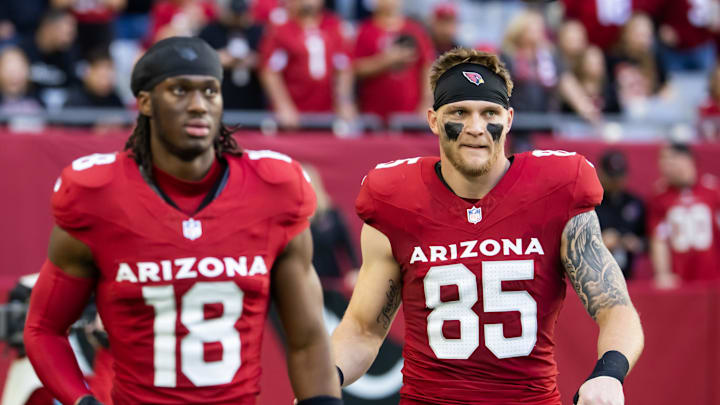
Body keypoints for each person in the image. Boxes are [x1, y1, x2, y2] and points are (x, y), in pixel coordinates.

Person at [23, 36, 342, 405]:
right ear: (145, 102)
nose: (198, 105)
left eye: (210, 91)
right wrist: (83, 401)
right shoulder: (97, 195)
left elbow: (308, 338)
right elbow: (44, 328)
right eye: (179, 90)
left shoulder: (273, 189)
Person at [331, 47, 644, 405]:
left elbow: (616, 308)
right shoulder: (394, 198)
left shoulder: (558, 186)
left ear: (509, 119)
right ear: (433, 120)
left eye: (489, 113)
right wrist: (320, 384)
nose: (476, 128)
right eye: (459, 112)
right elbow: (363, 329)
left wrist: (609, 374)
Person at [259, 0, 355, 128]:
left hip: (328, 114)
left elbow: (343, 67)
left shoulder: (333, 25)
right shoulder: (282, 28)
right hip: (294, 115)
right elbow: (270, 71)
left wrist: (344, 101)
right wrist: (283, 104)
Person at [647, 143, 720, 289]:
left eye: (669, 159)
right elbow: (659, 238)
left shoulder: (713, 189)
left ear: (687, 160)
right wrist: (663, 273)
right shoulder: (659, 196)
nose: (664, 165)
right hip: (680, 278)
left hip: (713, 275)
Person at [353, 0, 434, 122]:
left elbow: (427, 67)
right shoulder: (365, 30)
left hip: (410, 114)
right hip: (373, 115)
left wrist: (426, 103)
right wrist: (387, 60)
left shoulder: (415, 30)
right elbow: (356, 69)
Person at [595, 150, 646, 279]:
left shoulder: (635, 203)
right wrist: (599, 243)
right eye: (612, 176)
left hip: (628, 274)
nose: (616, 181)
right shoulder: (591, 204)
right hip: (596, 276)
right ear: (601, 174)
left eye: (620, 175)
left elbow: (649, 240)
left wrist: (636, 243)